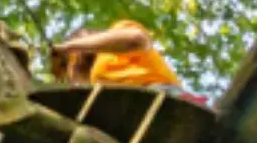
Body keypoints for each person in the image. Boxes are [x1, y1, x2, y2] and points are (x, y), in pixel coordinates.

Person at [49, 20, 203, 98]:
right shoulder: (97, 82)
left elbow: (136, 38)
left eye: (67, 67)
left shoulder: (114, 46)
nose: (70, 80)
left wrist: (68, 47)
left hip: (163, 94)